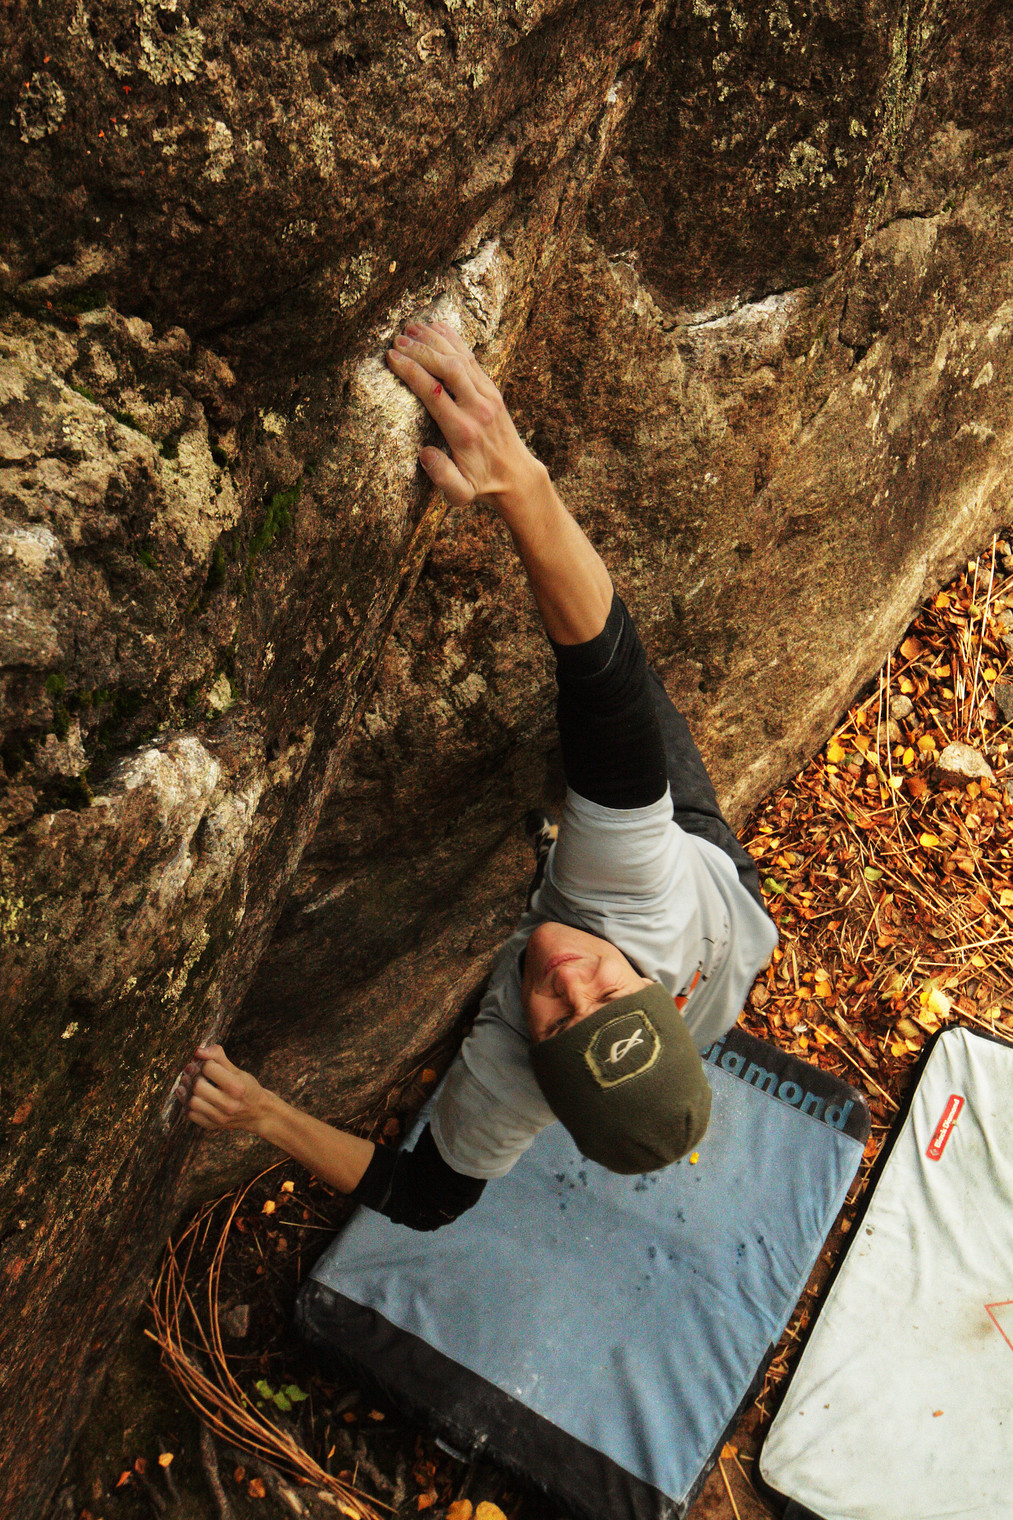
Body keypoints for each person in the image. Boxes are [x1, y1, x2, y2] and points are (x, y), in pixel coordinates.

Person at [179, 319, 777, 1229]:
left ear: (535, 1064)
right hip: (722, 901)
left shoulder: (513, 1085)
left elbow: (428, 1200)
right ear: (653, 994)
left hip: (693, 977)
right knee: (617, 702)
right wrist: (517, 485)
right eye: (610, 993)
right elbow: (606, 680)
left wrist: (263, 1113)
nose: (568, 975)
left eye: (556, 1021)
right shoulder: (640, 900)